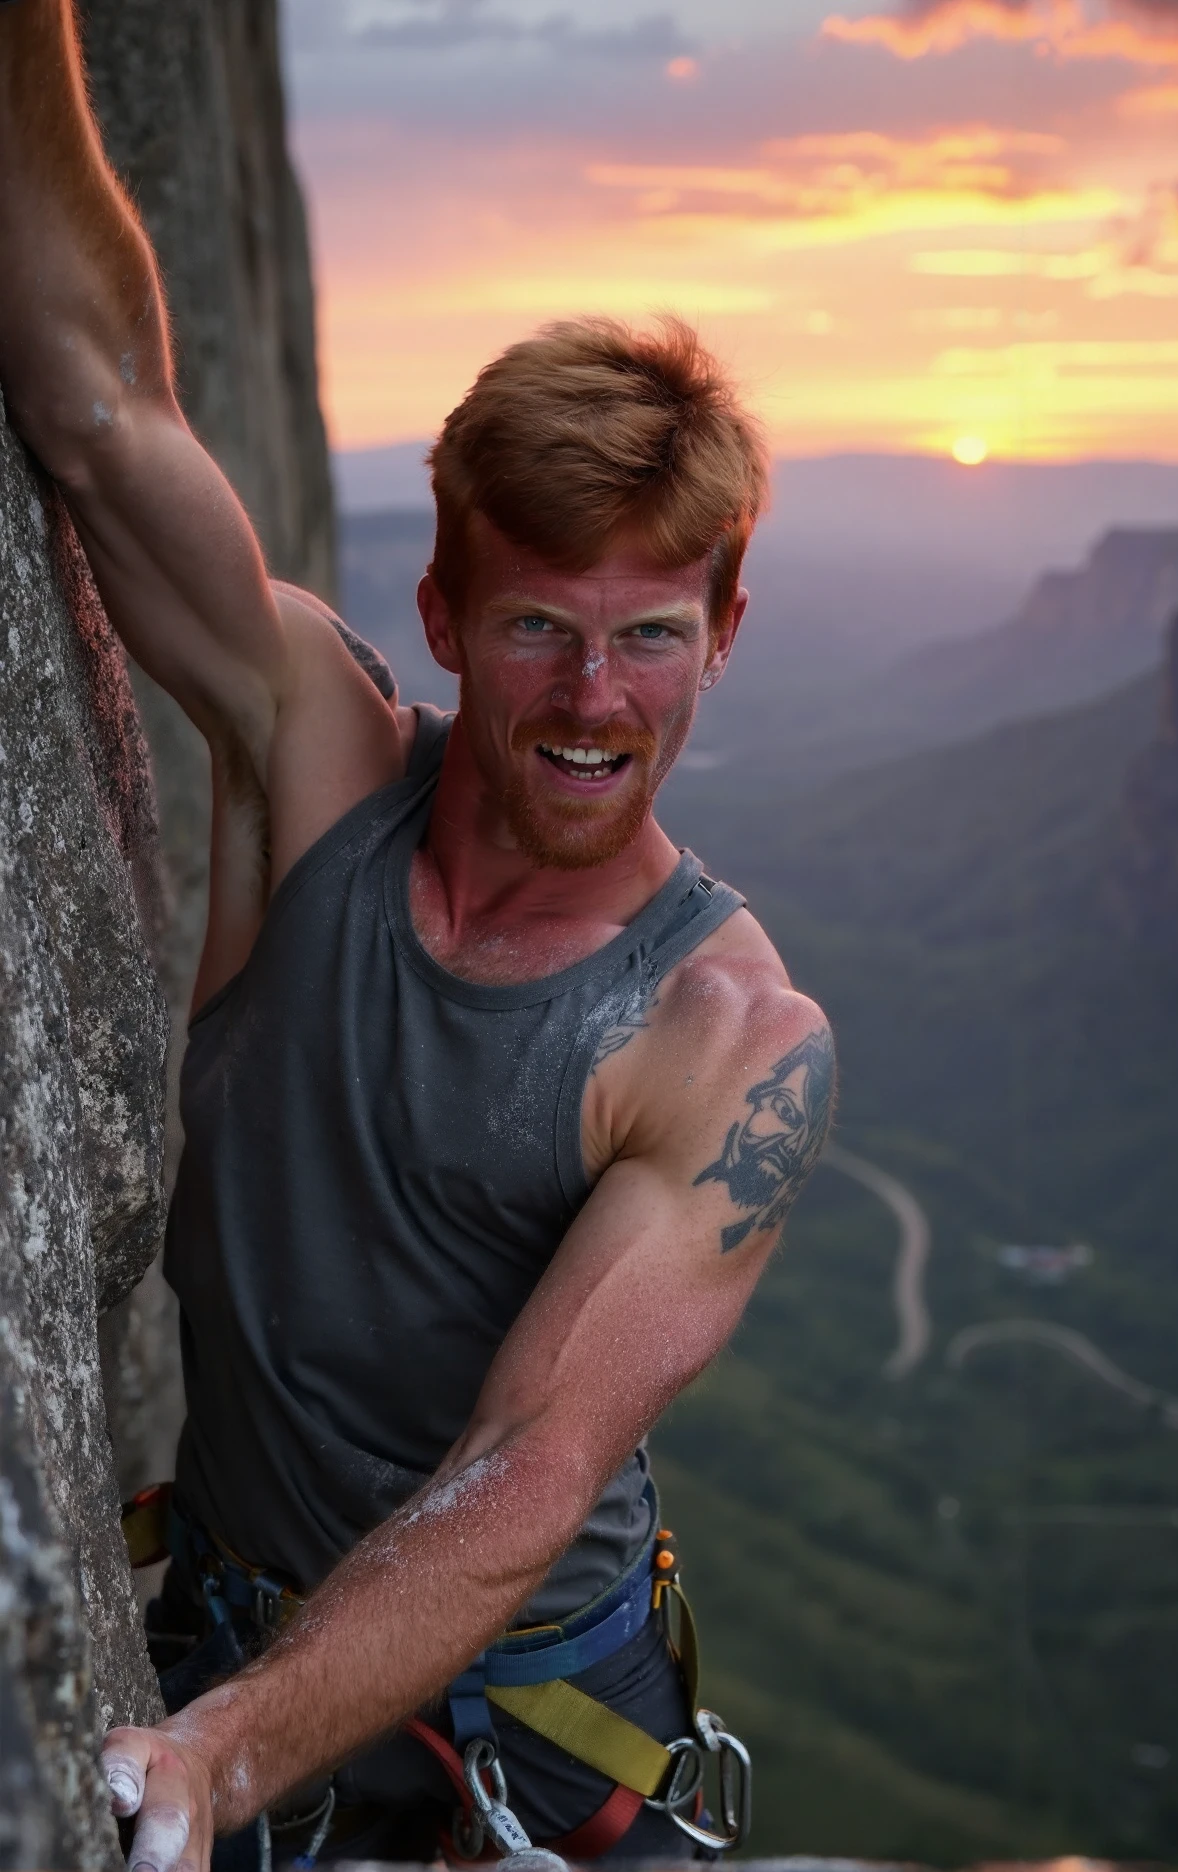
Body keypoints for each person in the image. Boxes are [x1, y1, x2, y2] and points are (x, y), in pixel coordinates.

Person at [0, 5, 835, 1869]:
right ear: (442, 612)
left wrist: (224, 1748)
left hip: (511, 1753)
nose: (594, 699)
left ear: (727, 634)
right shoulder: (320, 761)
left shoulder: (726, 1039)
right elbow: (96, 402)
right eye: (540, 623)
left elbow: (527, 1472)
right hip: (230, 1636)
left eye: (654, 636)